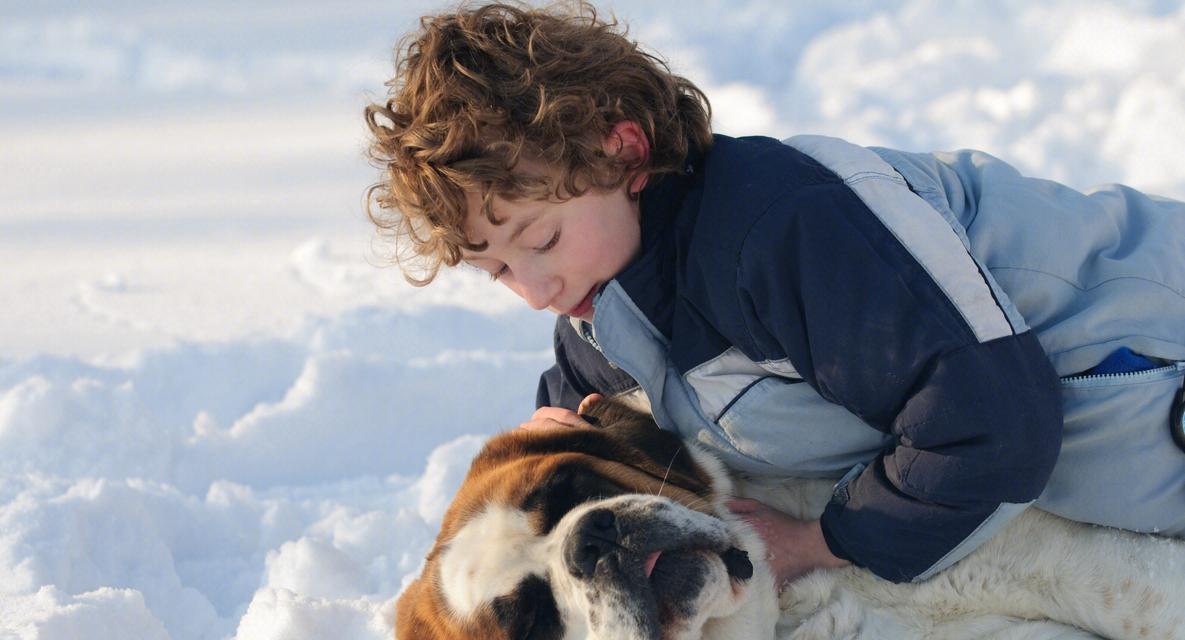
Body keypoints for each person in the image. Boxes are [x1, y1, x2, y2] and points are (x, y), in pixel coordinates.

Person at [364, 2, 1185, 587]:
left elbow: (992, 417)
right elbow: (586, 404)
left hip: (1157, 359)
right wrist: (548, 443)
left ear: (623, 153)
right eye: (499, 271)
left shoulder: (779, 232)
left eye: (540, 241)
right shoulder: (606, 300)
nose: (536, 291)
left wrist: (823, 541)